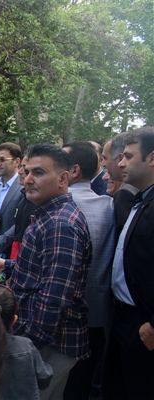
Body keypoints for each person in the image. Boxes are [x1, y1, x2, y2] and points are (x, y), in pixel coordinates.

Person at [0, 144, 91, 400]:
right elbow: (42, 273)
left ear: (64, 178)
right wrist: (8, 266)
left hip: (50, 344)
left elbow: (54, 298)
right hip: (41, 341)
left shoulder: (60, 224)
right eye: (27, 171)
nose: (28, 179)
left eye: (39, 172)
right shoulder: (48, 214)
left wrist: (21, 345)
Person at [103, 127, 154, 400]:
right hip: (123, 318)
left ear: (152, 158)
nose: (120, 163)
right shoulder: (140, 200)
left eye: (129, 156)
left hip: (144, 325)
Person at [62, 142, 115, 400]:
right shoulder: (109, 206)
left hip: (60, 314)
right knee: (82, 382)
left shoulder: (55, 205)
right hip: (97, 312)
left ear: (72, 170)